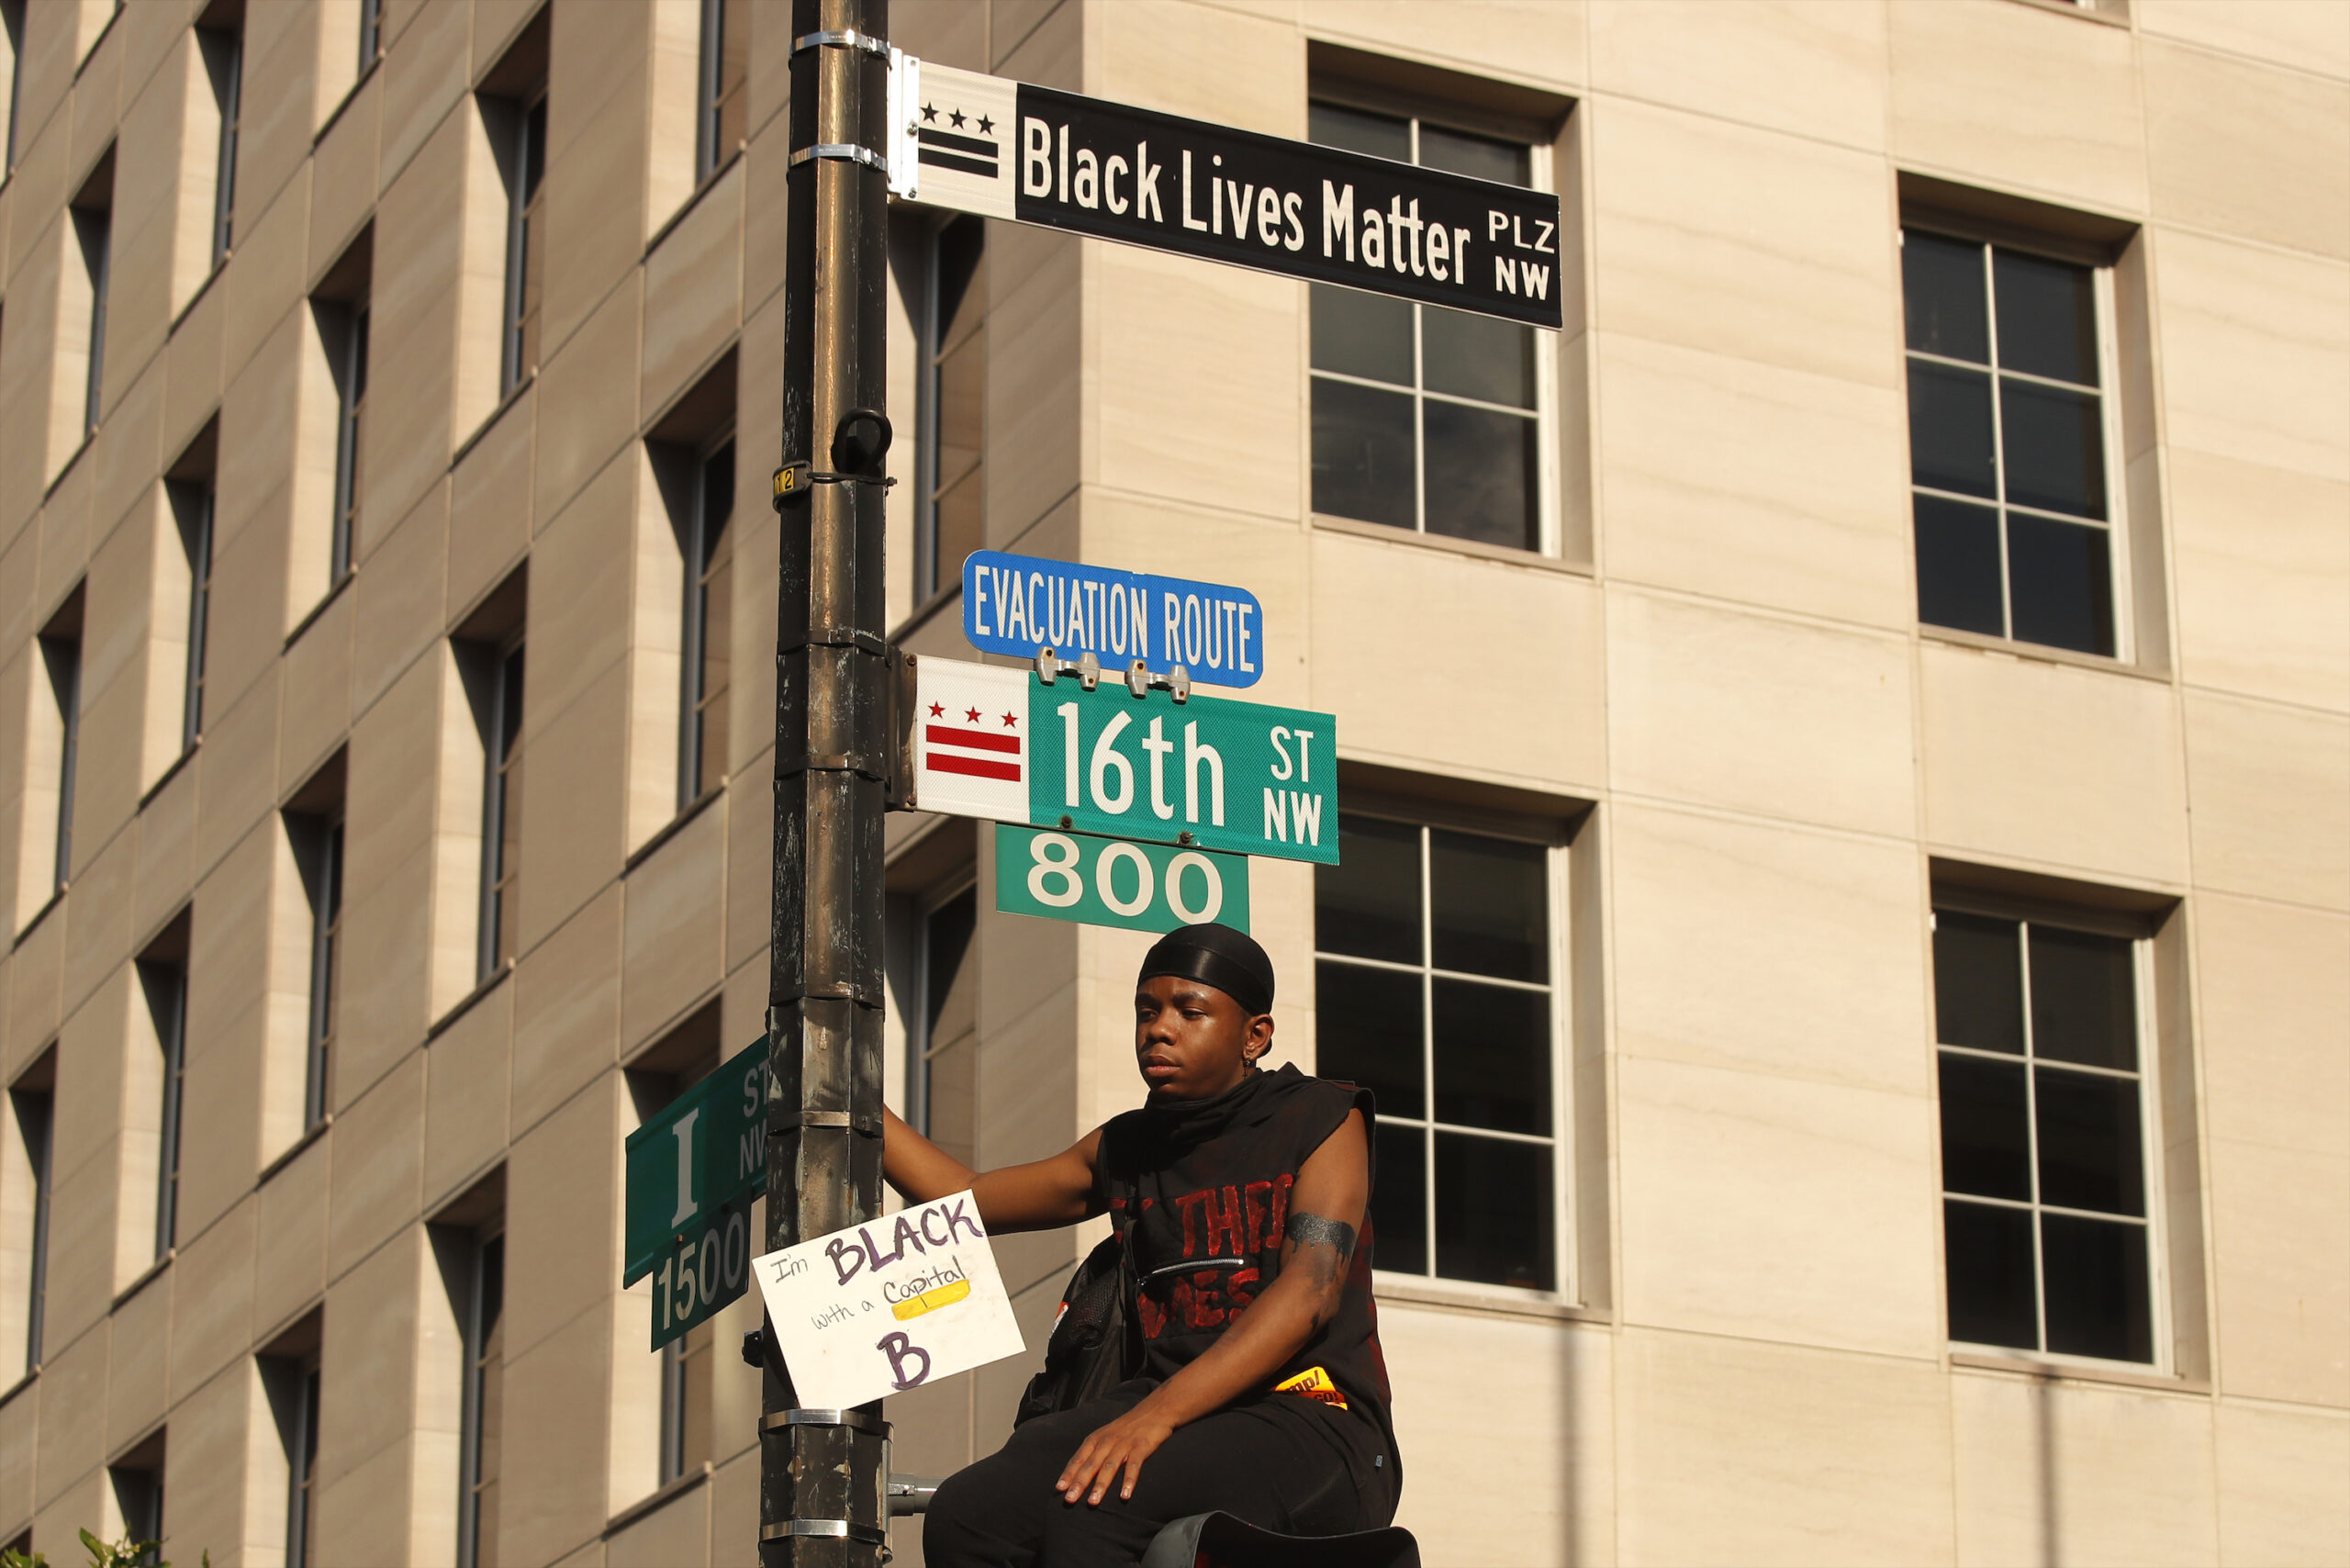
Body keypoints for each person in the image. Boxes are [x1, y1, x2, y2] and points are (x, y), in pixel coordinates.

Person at [881, 922, 1402, 1566]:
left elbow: (1310, 1292)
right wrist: (848, 1089)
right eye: (1146, 1011)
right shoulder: (1127, 1146)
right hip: (1166, 1408)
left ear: (1255, 1036)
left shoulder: (1322, 1116)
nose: (1159, 1029)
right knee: (968, 1513)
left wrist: (1157, 1415)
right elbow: (967, 1196)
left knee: (1097, 1507)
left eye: (1190, 1011)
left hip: (1314, 1416)